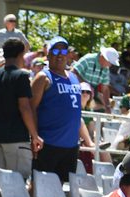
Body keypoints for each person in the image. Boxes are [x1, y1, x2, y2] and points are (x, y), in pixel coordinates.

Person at [31, 36, 90, 185]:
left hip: (70, 146)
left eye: (63, 50)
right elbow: (31, 109)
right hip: (48, 144)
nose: (60, 54)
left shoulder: (74, 77)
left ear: (68, 54)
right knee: (39, 186)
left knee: (62, 189)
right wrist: (34, 136)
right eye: (55, 50)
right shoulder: (43, 77)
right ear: (48, 54)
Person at [0, 38, 41, 179]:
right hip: (15, 137)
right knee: (18, 183)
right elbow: (25, 107)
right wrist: (34, 135)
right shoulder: (22, 76)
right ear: (21, 54)